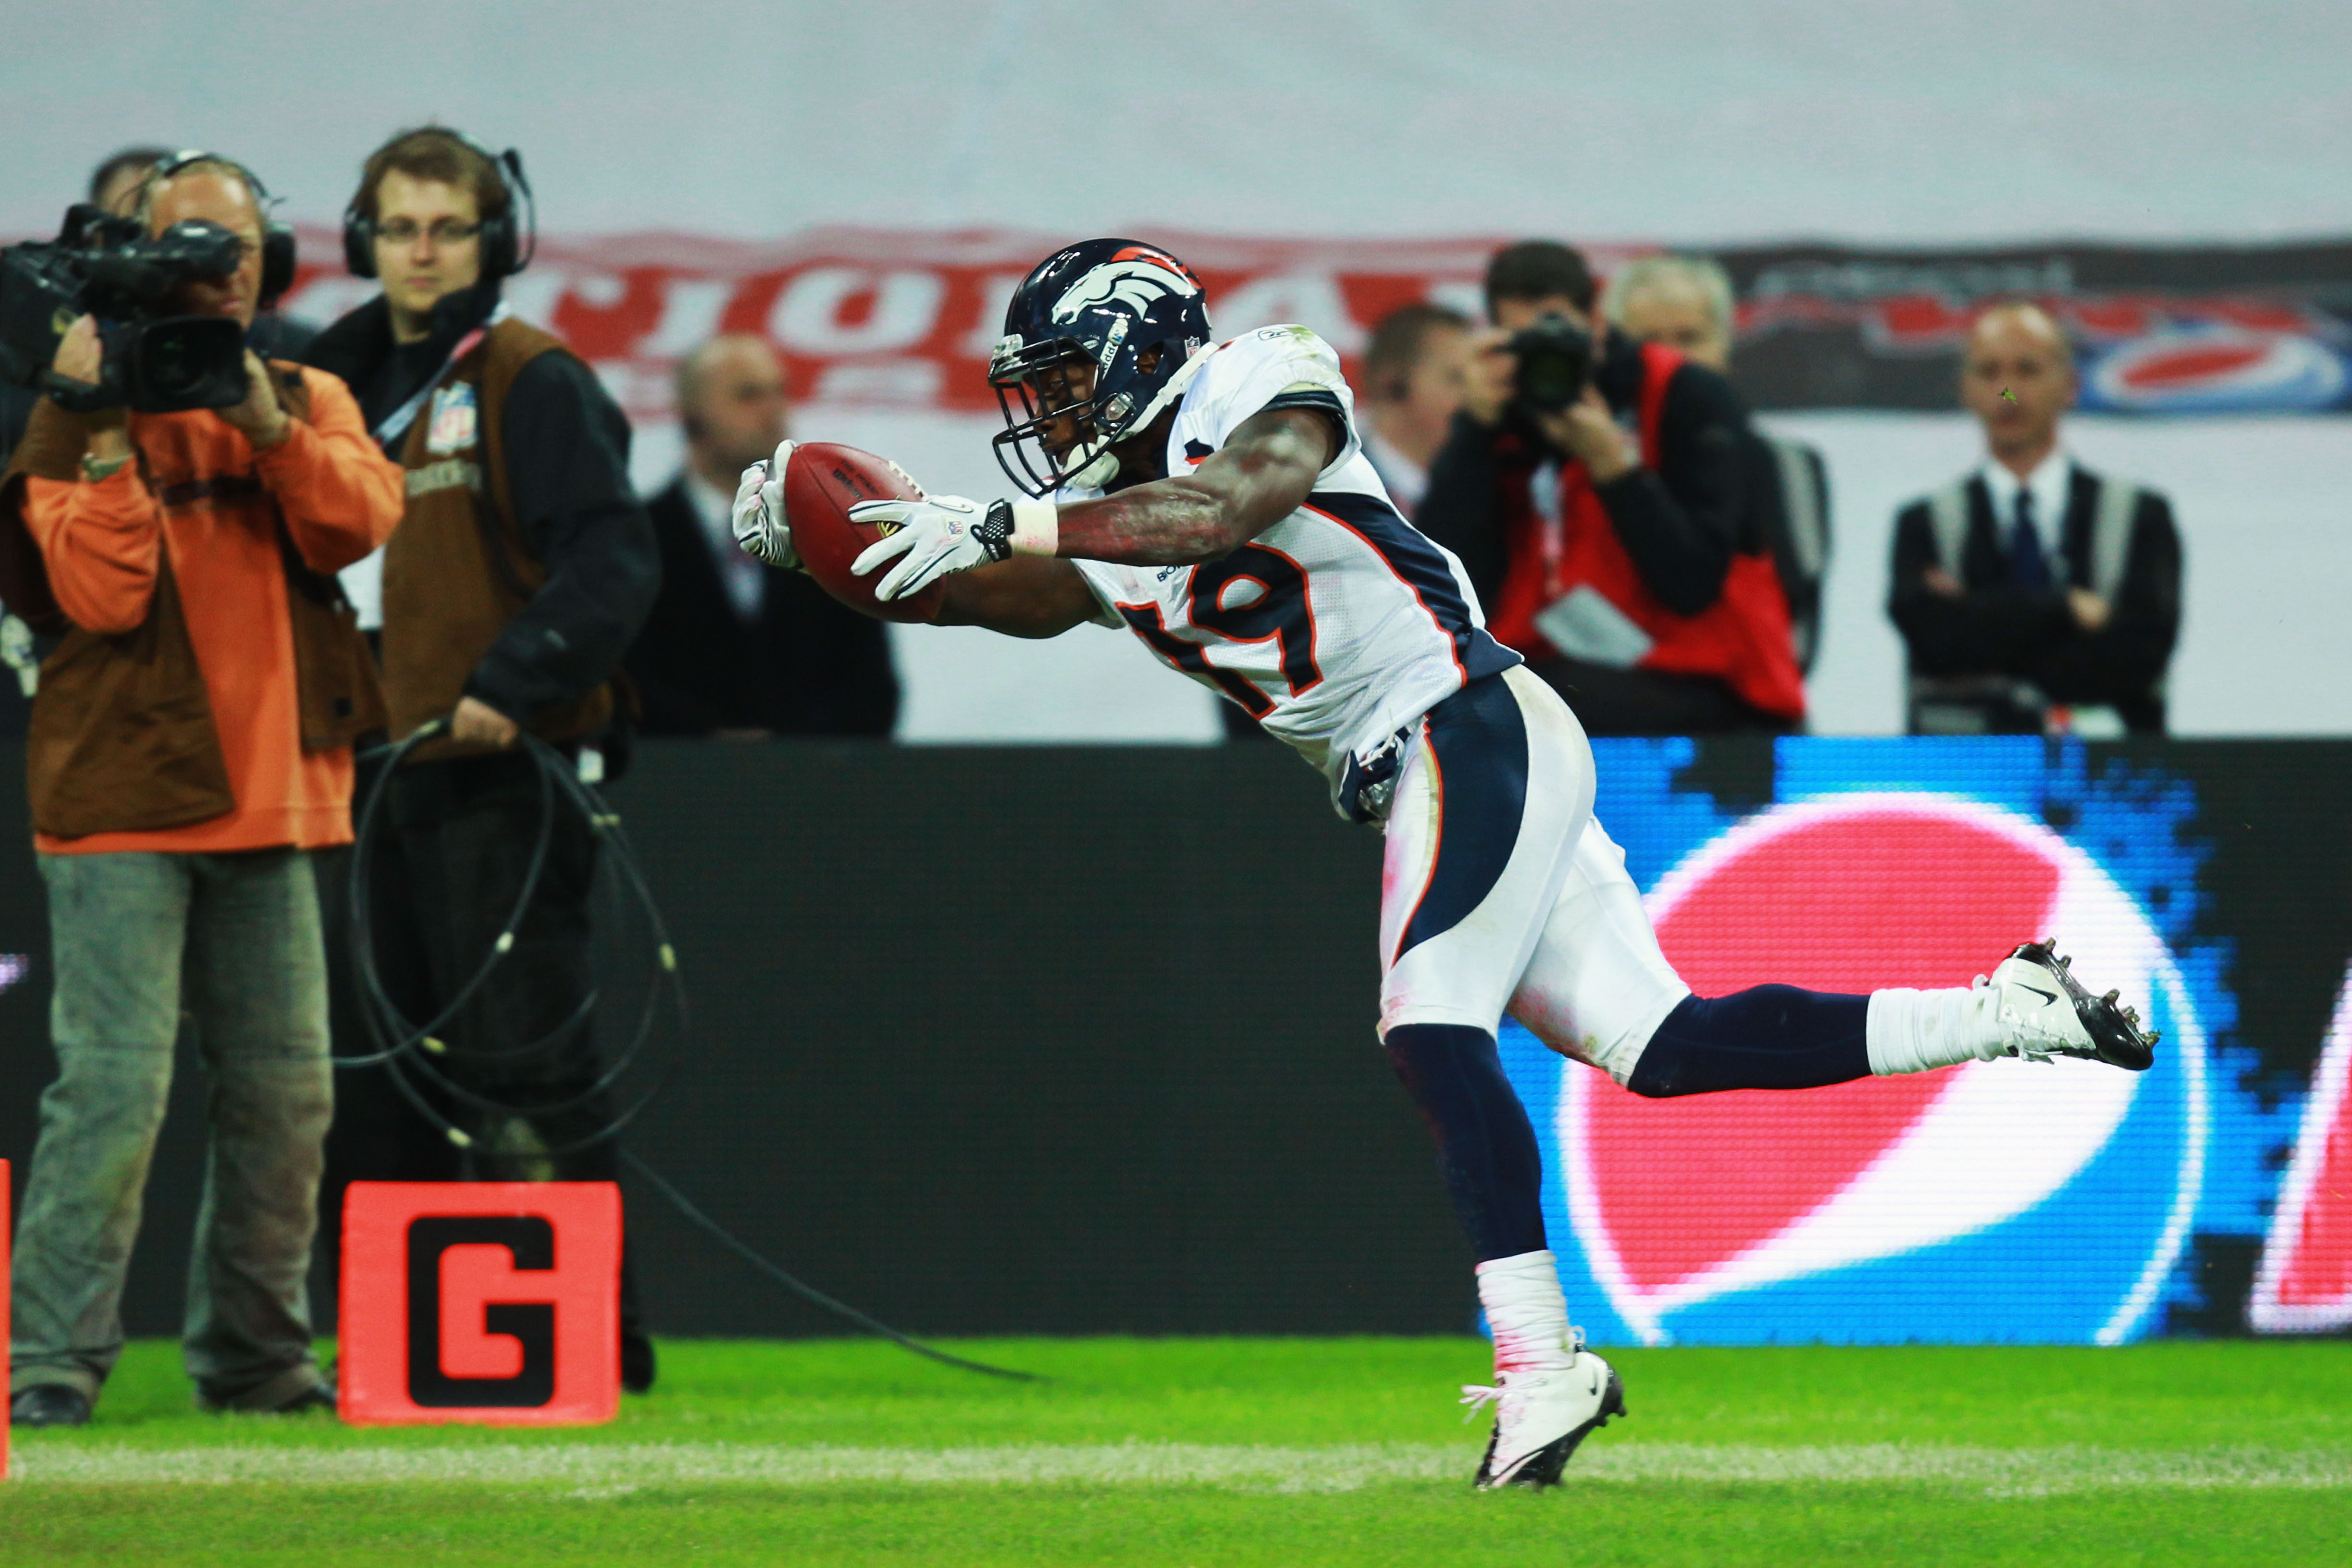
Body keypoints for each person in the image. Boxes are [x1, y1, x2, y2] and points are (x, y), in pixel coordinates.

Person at [729, 237, 2163, 1490]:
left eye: (1059, 376)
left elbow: (1227, 503)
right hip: (1438, 762)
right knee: (1666, 1044)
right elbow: (1023, 590)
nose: (1044, 415)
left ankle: (1543, 1359)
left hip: (1463, 725)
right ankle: (2009, 1008)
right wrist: (851, 543)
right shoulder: (1097, 511)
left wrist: (1011, 517)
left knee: (1428, 1020)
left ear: (1138, 344)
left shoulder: (1257, 383)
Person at [0, 155, 402, 1426]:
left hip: (276, 790)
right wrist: (107, 421)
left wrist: (267, 428)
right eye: (184, 248)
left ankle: (258, 1360)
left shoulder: (307, 392)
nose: (213, 272)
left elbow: (359, 521)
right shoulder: (67, 414)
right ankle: (47, 1366)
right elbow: (102, 598)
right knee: (114, 1092)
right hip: (120, 792)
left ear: (268, 261)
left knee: (288, 1100)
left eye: (232, 249)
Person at [302, 126, 662, 1390]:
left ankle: (592, 1340)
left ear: (496, 242)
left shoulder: (528, 376)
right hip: (364, 767)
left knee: (528, 1057)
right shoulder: (321, 381)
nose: (420, 251)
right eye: (398, 227)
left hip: (498, 769)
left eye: (447, 227)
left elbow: (616, 563)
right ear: (361, 241)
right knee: (383, 1071)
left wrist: (513, 683)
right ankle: (402, 1349)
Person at [1415, 242, 1803, 736]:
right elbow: (1442, 592)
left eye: (1559, 335)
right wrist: (1475, 431)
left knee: (1523, 712)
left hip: (1709, 680)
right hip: (1560, 668)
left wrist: (1614, 467)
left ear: (1597, 323)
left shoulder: (1690, 395)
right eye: (1525, 341)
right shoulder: (1505, 409)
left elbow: (1690, 586)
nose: (1546, 356)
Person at [1887, 303, 2181, 735]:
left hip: (2108, 782)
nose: (2008, 393)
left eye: (2027, 371)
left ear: (2070, 385)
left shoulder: (2139, 517)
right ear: (1965, 389)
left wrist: (1980, 621)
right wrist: (2064, 609)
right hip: (1966, 784)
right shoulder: (1925, 524)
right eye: (1989, 374)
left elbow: (2139, 657)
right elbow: (1936, 645)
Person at [626, 333, 897, 736]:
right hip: (669, 785)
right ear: (691, 415)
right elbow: (619, 680)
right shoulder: (632, 541)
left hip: (812, 786)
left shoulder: (832, 538)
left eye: (780, 393)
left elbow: (872, 691)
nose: (774, 413)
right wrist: (709, 742)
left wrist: (784, 750)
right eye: (749, 395)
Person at [1605, 254, 1831, 675]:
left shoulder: (1789, 468)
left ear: (1725, 345)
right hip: (1608, 705)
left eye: (1689, 337)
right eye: (1650, 340)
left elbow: (1797, 623)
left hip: (1740, 709)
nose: (1671, 359)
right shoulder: (1585, 465)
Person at [1358, 302, 1472, 519]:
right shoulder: (1323, 487)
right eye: (1456, 379)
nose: (1474, 396)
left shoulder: (1483, 486)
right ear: (1391, 384)